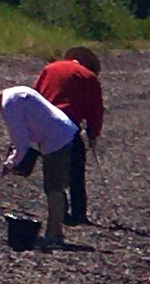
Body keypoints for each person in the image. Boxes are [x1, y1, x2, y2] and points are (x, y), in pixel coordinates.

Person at [0, 78, 81, 240]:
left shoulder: (9, 107)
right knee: (55, 186)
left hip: (56, 139)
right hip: (62, 129)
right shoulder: (16, 93)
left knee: (53, 188)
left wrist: (11, 163)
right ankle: (54, 231)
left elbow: (22, 143)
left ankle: (54, 234)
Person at [35, 46, 103, 225]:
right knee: (76, 172)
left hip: (45, 123)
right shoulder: (88, 77)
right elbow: (95, 111)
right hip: (68, 126)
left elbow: (37, 95)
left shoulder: (49, 69)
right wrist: (93, 134)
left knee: (53, 170)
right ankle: (78, 214)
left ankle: (61, 212)